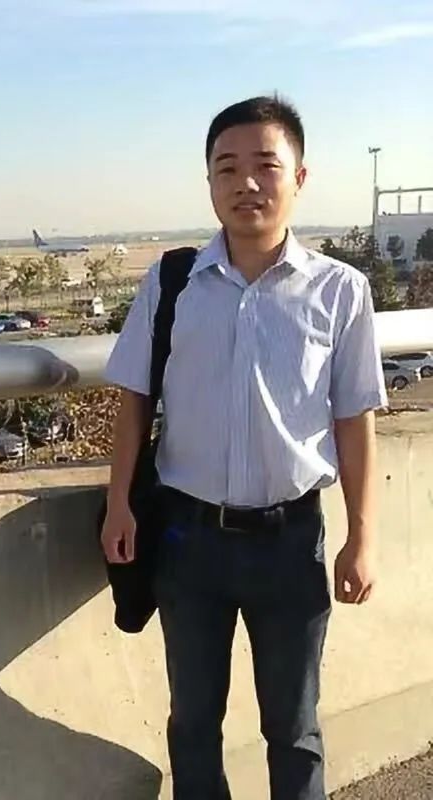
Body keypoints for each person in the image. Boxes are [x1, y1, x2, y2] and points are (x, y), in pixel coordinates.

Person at [101, 95, 387, 800]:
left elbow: (355, 421)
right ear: (209, 182)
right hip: (187, 542)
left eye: (266, 165)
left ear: (299, 178)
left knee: (293, 728)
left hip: (291, 544)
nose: (246, 183)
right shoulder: (172, 283)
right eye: (226, 168)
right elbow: (133, 398)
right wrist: (118, 505)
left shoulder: (340, 291)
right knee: (193, 723)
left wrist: (362, 537)